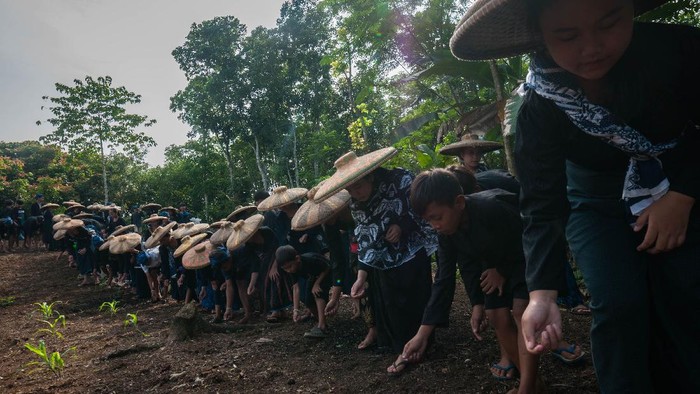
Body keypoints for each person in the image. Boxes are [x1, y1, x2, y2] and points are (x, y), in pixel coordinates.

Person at [450, 0, 700, 392]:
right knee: (618, 304)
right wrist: (541, 294)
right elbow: (541, 203)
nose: (592, 47)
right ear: (541, 35)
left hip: (679, 177)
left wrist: (684, 193)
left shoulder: (679, 51)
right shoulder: (538, 107)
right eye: (567, 36)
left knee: (686, 291)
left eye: (609, 23)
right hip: (593, 199)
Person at [406, 169, 541, 393]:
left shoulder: (493, 207)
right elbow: (444, 278)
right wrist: (423, 334)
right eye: (428, 220)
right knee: (496, 315)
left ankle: (527, 389)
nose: (434, 226)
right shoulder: (447, 233)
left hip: (524, 258)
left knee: (521, 311)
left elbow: (530, 239)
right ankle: (534, 383)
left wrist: (502, 270)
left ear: (459, 202)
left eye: (437, 217)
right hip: (493, 264)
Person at [314, 147, 438, 376]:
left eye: (358, 186)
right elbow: (365, 238)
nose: (356, 192)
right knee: (391, 303)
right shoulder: (355, 204)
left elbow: (423, 210)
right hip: (383, 259)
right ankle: (403, 348)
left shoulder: (401, 180)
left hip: (412, 250)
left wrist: (402, 226)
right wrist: (361, 277)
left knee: (417, 298)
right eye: (350, 189)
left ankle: (424, 343)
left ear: (370, 175)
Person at [276, 245, 332, 338]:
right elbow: (296, 288)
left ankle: (322, 326)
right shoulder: (291, 271)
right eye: (285, 269)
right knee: (308, 300)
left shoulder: (310, 259)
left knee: (318, 293)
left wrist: (317, 284)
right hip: (313, 277)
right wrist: (296, 310)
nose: (288, 270)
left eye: (290, 266)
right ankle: (320, 320)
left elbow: (327, 267)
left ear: (297, 258)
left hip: (325, 274)